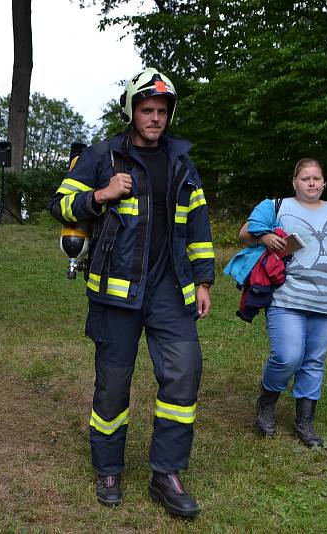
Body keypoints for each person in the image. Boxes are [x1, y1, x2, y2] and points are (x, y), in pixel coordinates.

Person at [49, 68, 214, 517]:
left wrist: (203, 280)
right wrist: (99, 194)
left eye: (162, 111)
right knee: (113, 386)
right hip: (115, 294)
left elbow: (198, 225)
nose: (155, 118)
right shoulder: (104, 155)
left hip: (170, 290)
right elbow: (60, 202)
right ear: (131, 111)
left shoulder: (182, 161)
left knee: (183, 374)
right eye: (147, 110)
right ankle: (108, 469)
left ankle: (167, 474)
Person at [239, 158, 327, 448]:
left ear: (324, 183)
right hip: (288, 296)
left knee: (314, 361)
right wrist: (266, 236)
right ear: (294, 182)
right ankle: (267, 401)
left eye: (316, 178)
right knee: (287, 355)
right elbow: (244, 233)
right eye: (305, 178)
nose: (311, 183)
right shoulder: (278, 206)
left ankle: (304, 422)